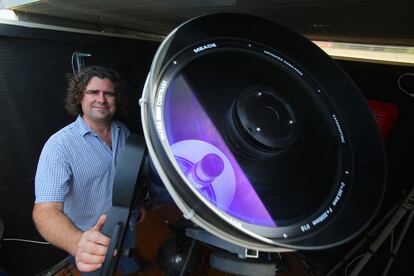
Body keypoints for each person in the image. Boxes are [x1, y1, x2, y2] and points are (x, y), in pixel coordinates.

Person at [33, 66, 146, 274]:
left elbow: (127, 175)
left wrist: (137, 204)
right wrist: (78, 243)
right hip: (90, 241)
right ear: (80, 98)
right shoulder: (59, 146)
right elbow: (45, 211)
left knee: (127, 263)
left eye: (109, 93)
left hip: (125, 226)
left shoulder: (123, 131)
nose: (101, 99)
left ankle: (129, 264)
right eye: (93, 92)